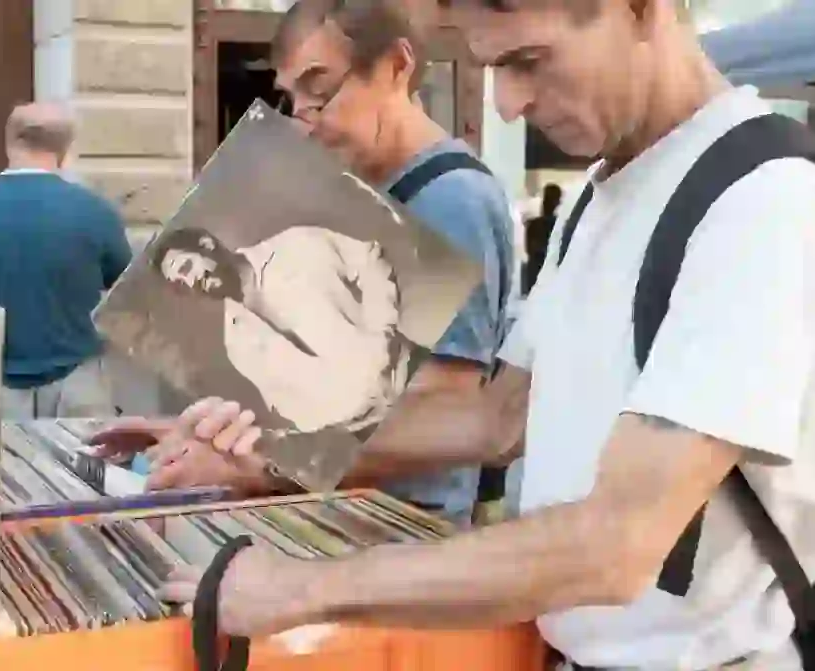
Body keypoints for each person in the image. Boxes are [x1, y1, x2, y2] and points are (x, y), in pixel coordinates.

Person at [157, 1, 815, 669]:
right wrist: (272, 451)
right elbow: (496, 416)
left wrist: (301, 586)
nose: (505, 104)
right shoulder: (599, 194)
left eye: (527, 61)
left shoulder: (764, 199)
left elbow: (618, 542)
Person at [91, 0, 516, 525]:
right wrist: (208, 432)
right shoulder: (354, 193)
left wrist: (253, 464)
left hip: (398, 526)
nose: (307, 122)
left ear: (396, 66)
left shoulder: (451, 200)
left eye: (320, 93)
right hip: (342, 510)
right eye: (293, 100)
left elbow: (440, 414)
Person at [0, 103, 131, 419]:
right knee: (87, 470)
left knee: (8, 470)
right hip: (80, 382)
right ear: (65, 150)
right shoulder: (96, 212)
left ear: (9, 143)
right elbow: (125, 288)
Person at [150, 223, 407, 437]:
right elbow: (287, 405)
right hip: (365, 432)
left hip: (409, 374)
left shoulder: (295, 244)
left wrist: (382, 332)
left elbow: (369, 260)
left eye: (185, 268)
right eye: (181, 284)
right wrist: (330, 425)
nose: (190, 281)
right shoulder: (237, 343)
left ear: (207, 245)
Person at [522, 182, 561, 295]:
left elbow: (529, 249)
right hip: (545, 276)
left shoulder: (534, 224)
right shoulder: (558, 224)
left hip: (537, 277)